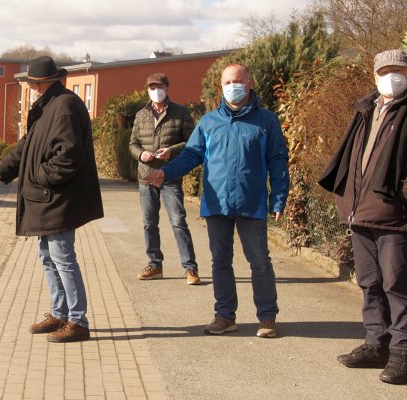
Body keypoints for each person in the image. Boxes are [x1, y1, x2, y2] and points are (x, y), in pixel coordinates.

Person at [147, 63, 289, 338]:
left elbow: (278, 162)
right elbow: (191, 155)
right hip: (216, 203)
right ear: (220, 87)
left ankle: (267, 317)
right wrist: (164, 173)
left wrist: (278, 199)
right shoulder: (209, 122)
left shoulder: (267, 121)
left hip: (251, 203)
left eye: (237, 81)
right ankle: (224, 316)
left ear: (249, 84)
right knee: (220, 261)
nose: (231, 87)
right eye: (226, 82)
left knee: (259, 261)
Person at [0, 56, 103, 343]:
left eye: (34, 84)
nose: (32, 89)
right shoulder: (49, 106)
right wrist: (1, 171)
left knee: (63, 258)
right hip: (47, 198)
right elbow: (25, 148)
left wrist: (39, 176)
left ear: (43, 83)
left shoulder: (64, 106)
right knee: (48, 257)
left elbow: (69, 156)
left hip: (58, 199)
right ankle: (59, 313)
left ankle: (77, 321)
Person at [318, 49, 407, 385]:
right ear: (375, 75)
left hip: (395, 217)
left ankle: (402, 353)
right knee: (369, 283)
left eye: (399, 70)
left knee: (398, 286)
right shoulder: (365, 109)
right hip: (361, 214)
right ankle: (377, 345)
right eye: (386, 71)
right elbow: (353, 161)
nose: (392, 77)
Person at [129, 73, 200, 285]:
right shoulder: (141, 114)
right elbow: (132, 143)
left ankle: (190, 268)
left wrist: (171, 151)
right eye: (151, 87)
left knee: (178, 221)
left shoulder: (181, 112)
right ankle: (154, 264)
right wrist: (141, 154)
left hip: (170, 175)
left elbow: (192, 141)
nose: (155, 90)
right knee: (149, 222)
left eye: (158, 86)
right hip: (147, 176)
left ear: (167, 88)